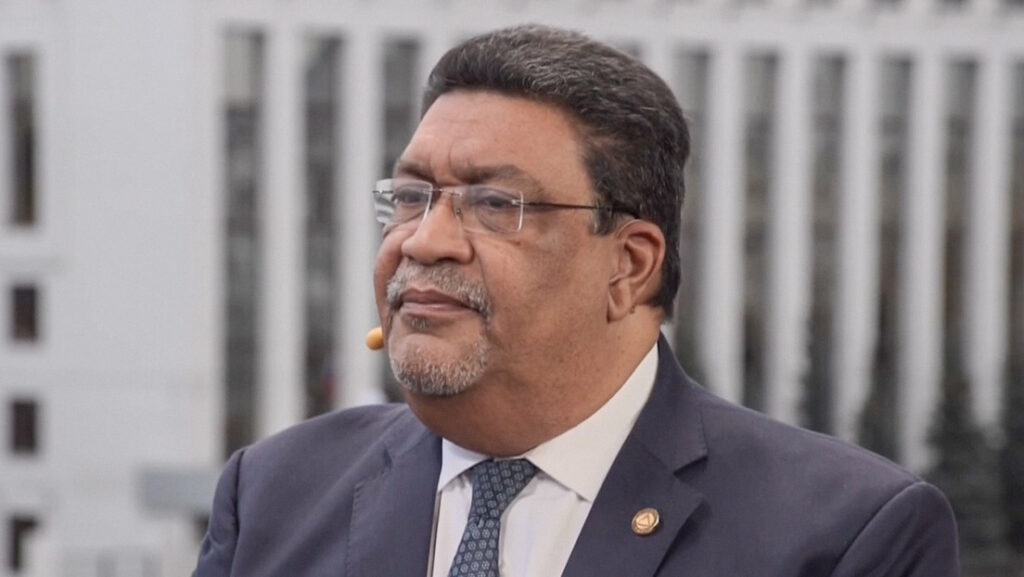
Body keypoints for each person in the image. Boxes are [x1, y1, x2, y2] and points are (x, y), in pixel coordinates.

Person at [193, 24, 959, 577]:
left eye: (494, 204)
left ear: (629, 266)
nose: (425, 241)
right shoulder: (274, 493)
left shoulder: (845, 535)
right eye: (412, 196)